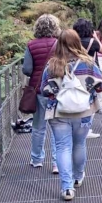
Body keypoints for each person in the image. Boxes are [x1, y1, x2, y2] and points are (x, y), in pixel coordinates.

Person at [40, 29, 102, 200]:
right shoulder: (89, 64)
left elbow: (44, 90)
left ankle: (67, 188)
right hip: (83, 112)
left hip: (58, 112)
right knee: (79, 144)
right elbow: (100, 87)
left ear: (58, 44)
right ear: (77, 42)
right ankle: (78, 177)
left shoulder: (51, 66)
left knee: (63, 147)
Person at [23, 13, 60, 172]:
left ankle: (37, 159)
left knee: (39, 127)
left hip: (38, 90)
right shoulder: (59, 44)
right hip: (56, 90)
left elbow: (27, 69)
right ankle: (57, 162)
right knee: (57, 127)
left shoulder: (31, 45)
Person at [73, 18, 102, 137]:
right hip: (89, 74)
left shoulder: (73, 42)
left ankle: (75, 126)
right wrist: (95, 37)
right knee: (89, 101)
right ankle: (86, 129)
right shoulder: (92, 42)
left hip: (75, 72)